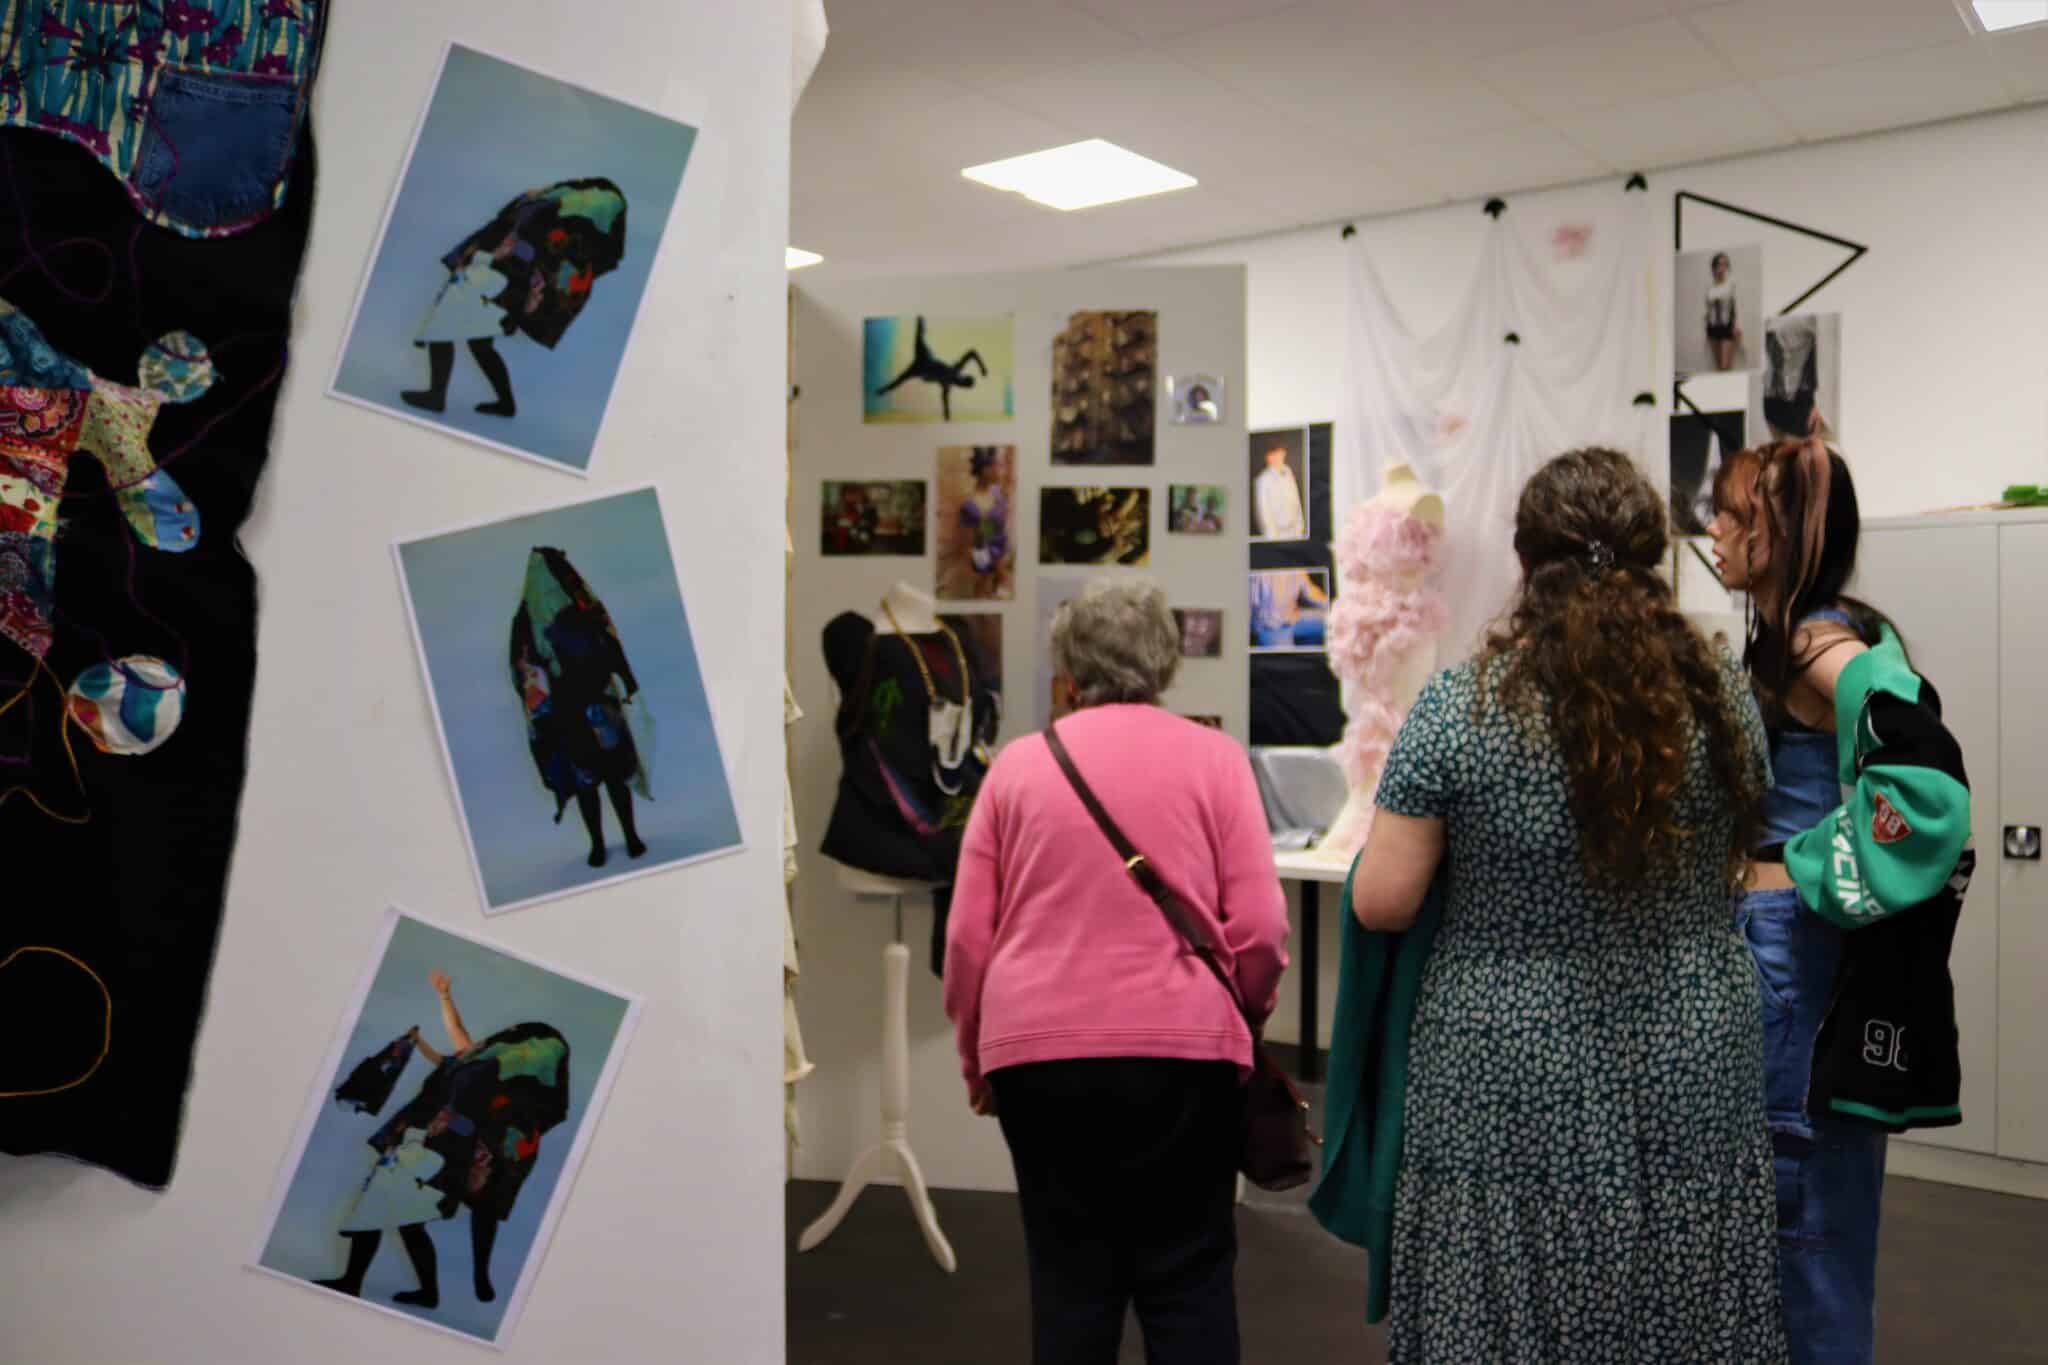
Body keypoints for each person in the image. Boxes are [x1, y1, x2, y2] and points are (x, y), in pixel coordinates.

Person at [1345, 448, 1786, 1361]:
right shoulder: (1720, 698)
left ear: (1524, 562)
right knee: (1685, 1289)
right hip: (1692, 1036)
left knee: (1504, 1293)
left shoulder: (1461, 708)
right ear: (1651, 559)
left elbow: (1385, 900)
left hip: (1504, 1051)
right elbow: (1739, 860)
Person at [944, 579, 1289, 1365]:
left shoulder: (1018, 769)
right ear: (1164, 662)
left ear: (1069, 669)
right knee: (1191, 1279)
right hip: (1187, 1058)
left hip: (1038, 1058)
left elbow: (967, 940)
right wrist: (1246, 1016)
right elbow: (1263, 928)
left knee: (1070, 1283)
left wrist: (977, 1061)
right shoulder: (1216, 758)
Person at [1709, 437, 1895, 1365]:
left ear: (1780, 533)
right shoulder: (1790, 636)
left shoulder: (1826, 642)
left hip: (1794, 951)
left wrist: (1811, 866)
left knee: (1806, 1223)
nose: (1715, 529)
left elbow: (1913, 756)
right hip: (1783, 946)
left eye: (1733, 514)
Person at [316, 970, 571, 1310]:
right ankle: (415, 1291)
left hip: (436, 1149)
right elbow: (450, 1053)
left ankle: (371, 1284)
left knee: (387, 1210)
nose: (503, 1040)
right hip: (421, 1140)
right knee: (399, 1217)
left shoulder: (505, 1071)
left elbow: (478, 1074)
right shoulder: (475, 1062)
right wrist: (439, 1005)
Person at [402, 178, 628, 419]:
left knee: (448, 332)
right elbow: (505, 231)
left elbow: (530, 250)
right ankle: (504, 403)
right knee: (477, 342)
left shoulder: (563, 211)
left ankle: (439, 396)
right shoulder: (542, 206)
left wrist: (505, 263)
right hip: (492, 277)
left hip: (499, 281)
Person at [511, 548, 649, 869]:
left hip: (597, 698)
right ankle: (599, 844)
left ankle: (629, 836)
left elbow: (608, 638)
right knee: (586, 778)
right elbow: (523, 669)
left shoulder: (581, 603)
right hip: (567, 707)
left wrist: (626, 676)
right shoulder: (528, 620)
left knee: (612, 773)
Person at [874, 314, 988, 420]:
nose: (959, 383)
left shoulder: (947, 384)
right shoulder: (954, 372)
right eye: (962, 382)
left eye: (961, 385)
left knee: (900, 379)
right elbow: (972, 352)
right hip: (925, 358)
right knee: (919, 335)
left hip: (919, 369)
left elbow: (945, 400)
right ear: (963, 378)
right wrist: (982, 367)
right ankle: (920, 317)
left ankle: (883, 391)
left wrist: (947, 415)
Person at [1249, 569, 1328, 649]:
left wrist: (1334, 605)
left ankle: (1305, 646)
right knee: (1285, 659)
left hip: (1293, 618)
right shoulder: (1259, 574)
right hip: (1271, 628)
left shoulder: (1298, 569)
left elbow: (1311, 593)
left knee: (1332, 621)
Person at [1254, 441, 1307, 539]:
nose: (1280, 457)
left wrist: (1300, 527)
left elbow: (1296, 501)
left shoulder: (1288, 472)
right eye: (1276, 455)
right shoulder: (1263, 480)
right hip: (1277, 535)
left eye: (1281, 454)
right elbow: (1264, 513)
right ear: (1269, 457)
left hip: (1295, 532)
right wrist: (1273, 538)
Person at [1706, 250, 1742, 372]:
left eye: (1725, 264)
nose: (1722, 267)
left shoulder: (1730, 284)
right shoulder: (1710, 287)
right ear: (1714, 266)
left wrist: (1736, 325)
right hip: (1712, 326)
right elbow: (1708, 307)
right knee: (1717, 366)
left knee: (1725, 365)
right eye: (1719, 264)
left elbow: (1735, 306)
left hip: (1726, 325)